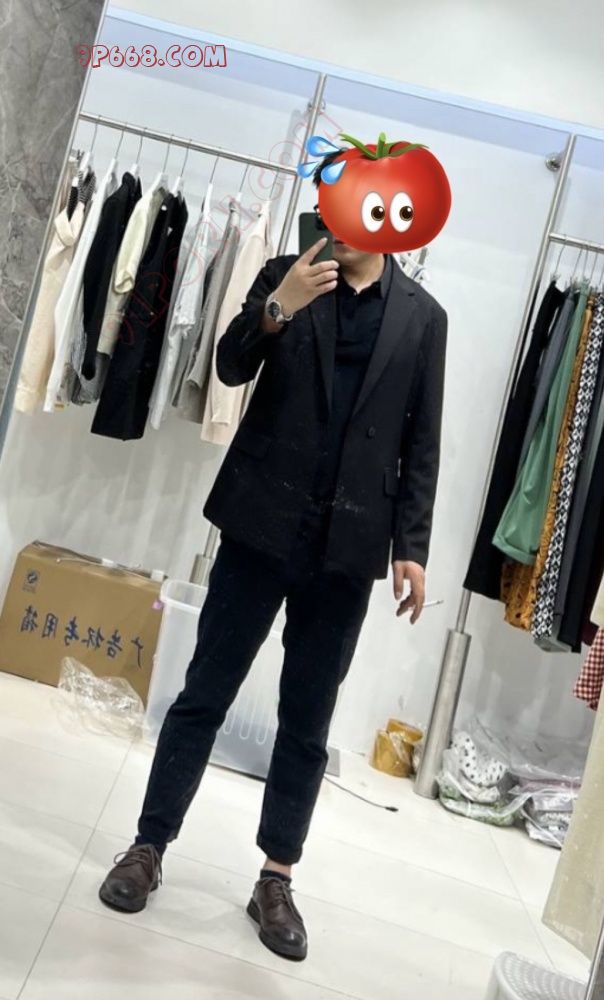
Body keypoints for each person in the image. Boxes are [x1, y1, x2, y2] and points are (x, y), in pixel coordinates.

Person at [99, 164, 448, 962]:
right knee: (204, 693)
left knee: (307, 722)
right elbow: (228, 365)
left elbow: (421, 441)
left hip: (348, 547)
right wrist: (279, 306)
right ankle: (149, 845)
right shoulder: (284, 275)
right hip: (261, 521)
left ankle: (276, 879)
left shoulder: (425, 319)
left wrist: (412, 548)